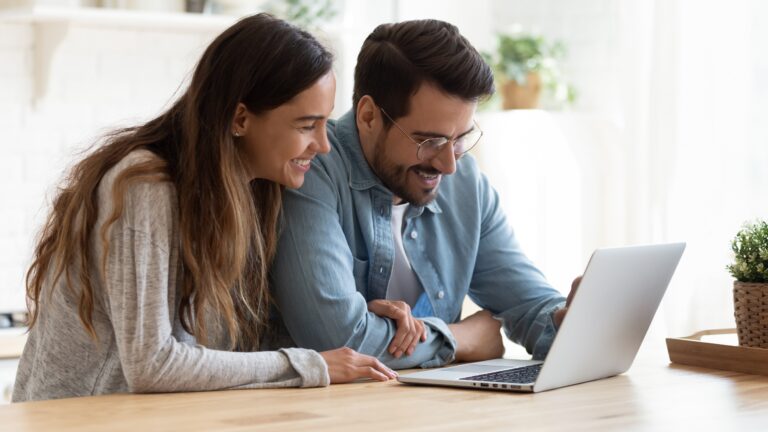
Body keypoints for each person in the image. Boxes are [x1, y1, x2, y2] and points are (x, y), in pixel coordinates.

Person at [13, 14, 397, 403]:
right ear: (240, 118)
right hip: (76, 419)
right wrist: (309, 365)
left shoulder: (249, 194)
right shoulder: (145, 188)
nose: (324, 145)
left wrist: (363, 318)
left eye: (324, 123)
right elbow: (152, 364)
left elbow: (237, 349)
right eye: (305, 126)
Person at [270, 19, 578, 369]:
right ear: (369, 116)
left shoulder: (466, 183)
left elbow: (529, 306)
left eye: (460, 138)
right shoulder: (310, 170)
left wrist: (565, 318)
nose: (449, 164)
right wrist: (461, 339)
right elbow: (338, 339)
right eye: (430, 140)